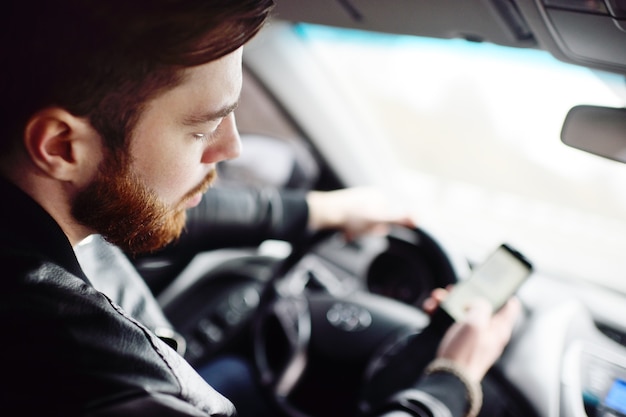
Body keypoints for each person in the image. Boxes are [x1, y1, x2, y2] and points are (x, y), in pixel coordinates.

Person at [0, 2, 520, 417]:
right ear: (62, 146)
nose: (232, 148)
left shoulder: (37, 219)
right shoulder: (90, 368)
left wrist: (321, 211)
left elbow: (153, 207)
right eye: (202, 129)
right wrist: (452, 383)